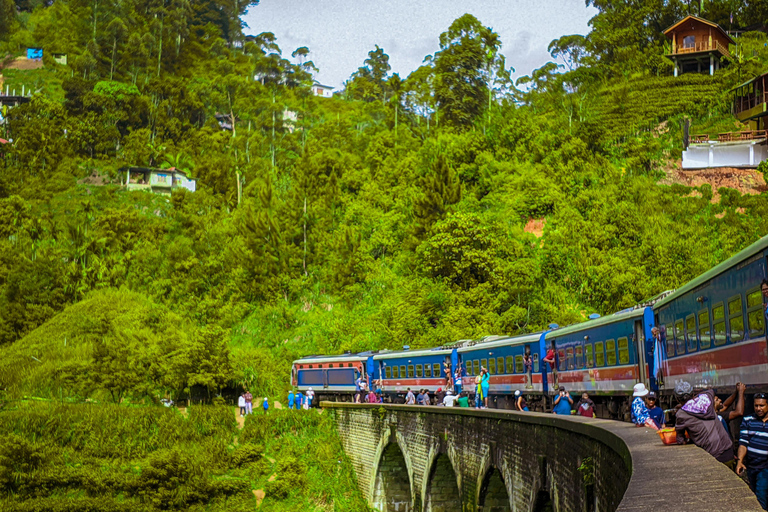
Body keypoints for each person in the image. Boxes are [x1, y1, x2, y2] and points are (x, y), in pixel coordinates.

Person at [675, 388, 733, 464]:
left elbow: (680, 439)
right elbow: (710, 390)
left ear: (677, 400)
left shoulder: (681, 414)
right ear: (693, 394)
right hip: (728, 449)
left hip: (712, 455)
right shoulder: (708, 397)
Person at [737, 393, 768, 510]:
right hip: (751, 465)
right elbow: (743, 443)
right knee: (753, 493)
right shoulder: (748, 420)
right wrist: (740, 461)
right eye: (756, 406)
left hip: (765, 466)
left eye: (762, 406)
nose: (758, 409)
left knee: (761, 494)